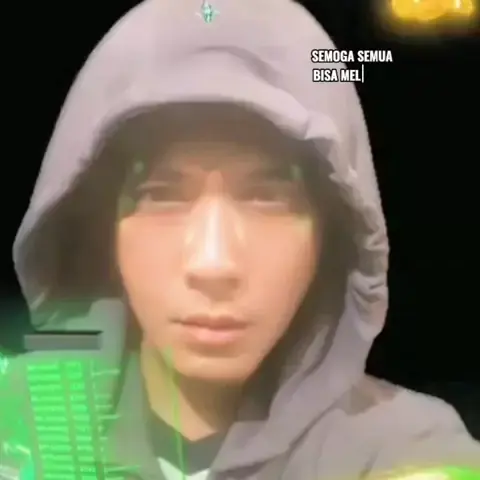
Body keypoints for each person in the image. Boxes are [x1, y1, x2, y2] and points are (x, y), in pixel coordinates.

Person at [2, 0, 479, 479]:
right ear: (99, 229)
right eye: (161, 196)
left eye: (268, 199)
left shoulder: (406, 451)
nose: (214, 264)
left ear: (335, 235)